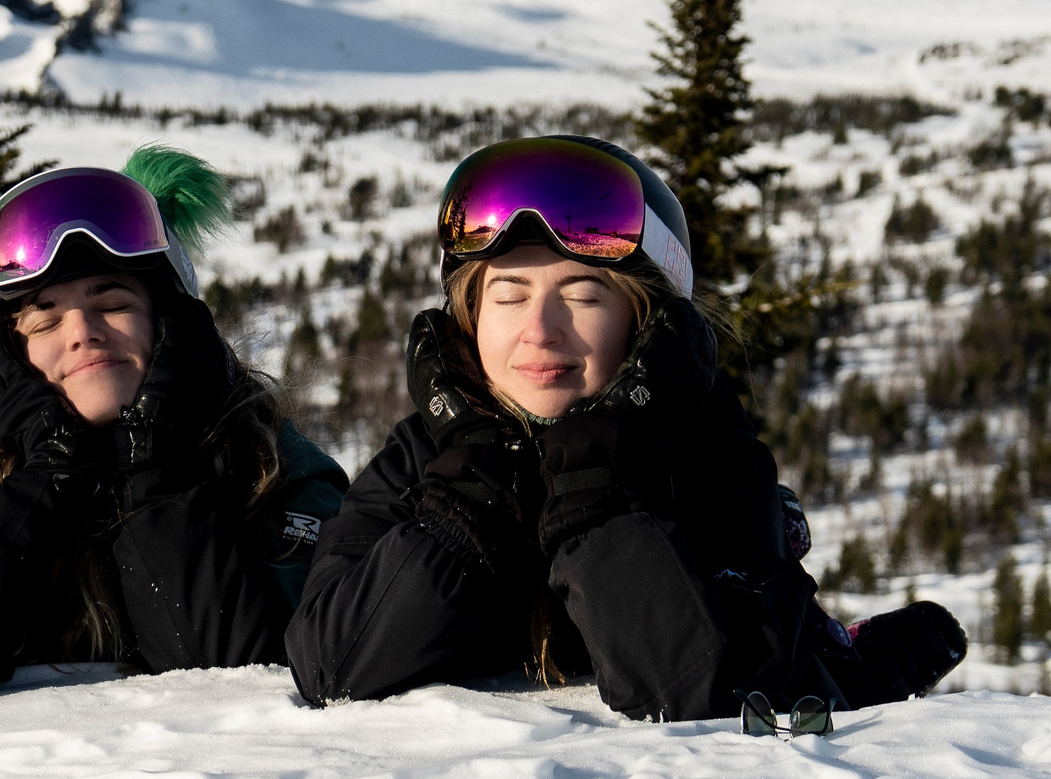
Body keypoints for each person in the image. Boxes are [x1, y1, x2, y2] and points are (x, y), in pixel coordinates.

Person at [285, 134, 966, 723]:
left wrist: (600, 493)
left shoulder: (703, 454)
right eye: (509, 294)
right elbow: (331, 664)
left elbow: (712, 691)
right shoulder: (427, 456)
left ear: (643, 323)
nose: (540, 330)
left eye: (582, 295)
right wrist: (466, 505)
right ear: (468, 315)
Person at [0, 148, 347, 710]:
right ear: (6, 360)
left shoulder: (269, 463)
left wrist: (154, 460)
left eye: (113, 301)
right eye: (47, 319)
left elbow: (235, 690)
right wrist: (45, 480)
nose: (82, 332)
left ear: (171, 322)